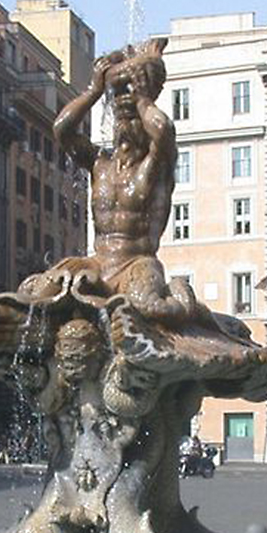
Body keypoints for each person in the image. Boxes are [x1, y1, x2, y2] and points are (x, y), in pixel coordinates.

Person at [50, 39, 201, 322]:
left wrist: (144, 100)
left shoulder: (158, 161)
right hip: (96, 263)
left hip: (138, 262)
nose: (124, 118)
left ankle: (184, 299)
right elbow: (62, 129)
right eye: (120, 113)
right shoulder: (99, 163)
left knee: (148, 306)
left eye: (133, 115)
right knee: (40, 290)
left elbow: (163, 128)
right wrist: (94, 90)